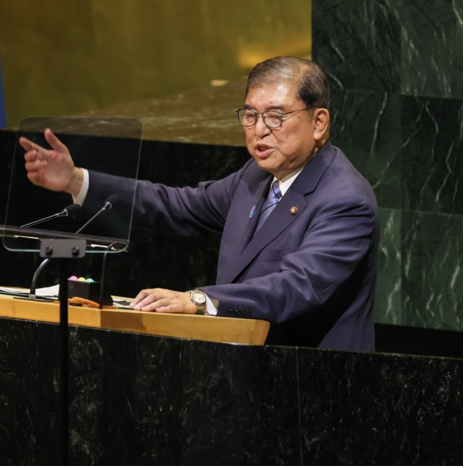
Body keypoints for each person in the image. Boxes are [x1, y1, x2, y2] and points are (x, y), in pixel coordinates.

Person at [19, 57, 379, 351]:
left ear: (318, 122)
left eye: (275, 116)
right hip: (242, 372)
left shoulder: (345, 200)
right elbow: (177, 206)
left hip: (314, 389)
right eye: (250, 115)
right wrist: (76, 181)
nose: (259, 130)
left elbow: (296, 286)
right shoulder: (254, 176)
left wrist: (199, 300)